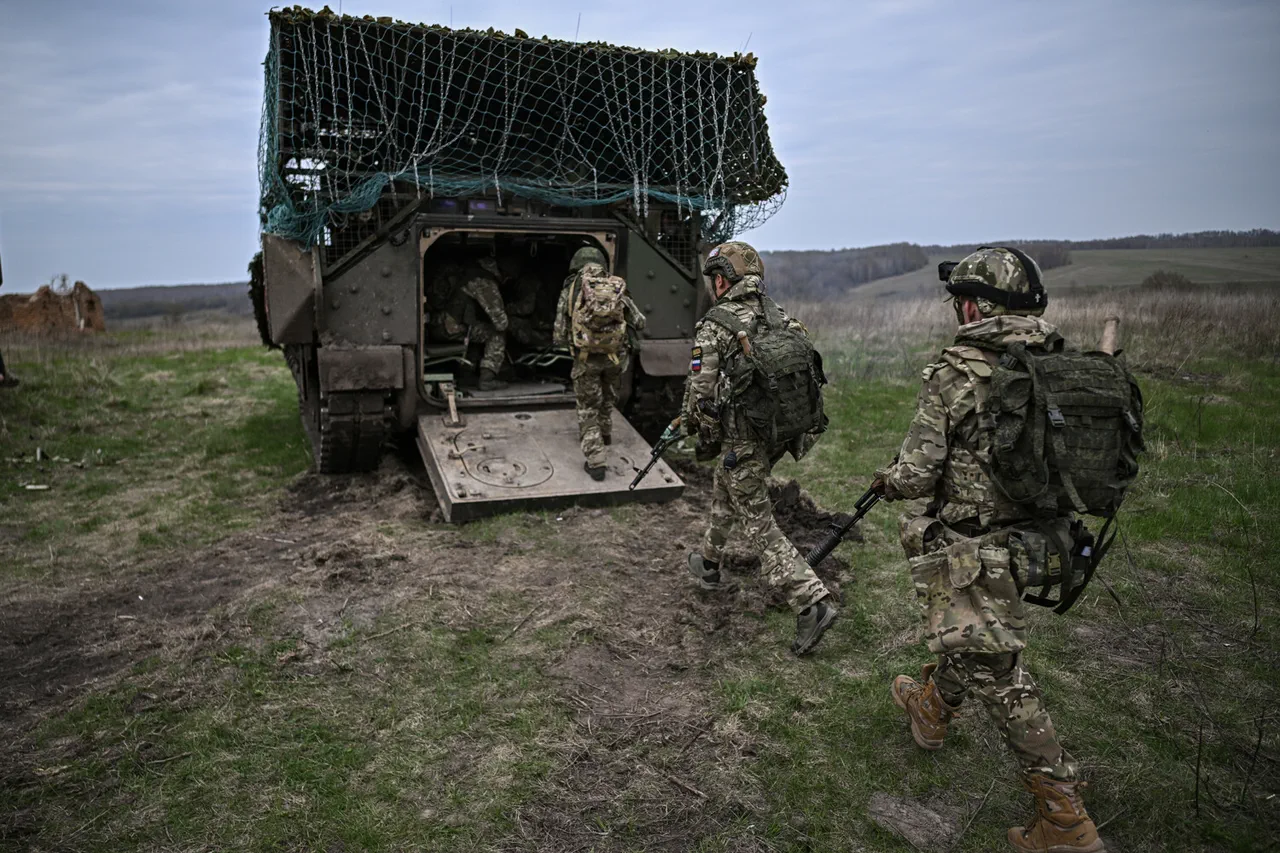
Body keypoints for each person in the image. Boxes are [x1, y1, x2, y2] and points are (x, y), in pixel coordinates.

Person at [873, 247, 1104, 852]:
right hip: (1046, 542)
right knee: (976, 640)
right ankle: (931, 709)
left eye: (959, 302)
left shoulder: (954, 372)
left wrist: (888, 479)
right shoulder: (1057, 361)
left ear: (976, 307)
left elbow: (917, 475)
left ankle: (1064, 817)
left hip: (979, 549)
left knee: (1000, 676)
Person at [682, 241, 837, 656]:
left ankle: (811, 601)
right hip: (777, 435)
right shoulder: (780, 316)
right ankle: (709, 562)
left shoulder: (715, 324)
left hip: (743, 437)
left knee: (758, 523)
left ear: (721, 280)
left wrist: (696, 426)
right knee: (727, 483)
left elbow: (701, 394)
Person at [553, 246, 645, 480]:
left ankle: (596, 461)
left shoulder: (572, 289)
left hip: (586, 360)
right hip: (615, 357)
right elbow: (639, 321)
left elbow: (559, 333)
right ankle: (605, 434)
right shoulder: (616, 287)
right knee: (608, 396)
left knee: (587, 407)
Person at [426, 257, 510, 391]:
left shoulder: (464, 275)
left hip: (436, 325)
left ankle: (467, 374)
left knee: (476, 331)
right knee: (496, 334)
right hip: (451, 328)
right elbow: (501, 323)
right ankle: (487, 379)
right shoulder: (483, 281)